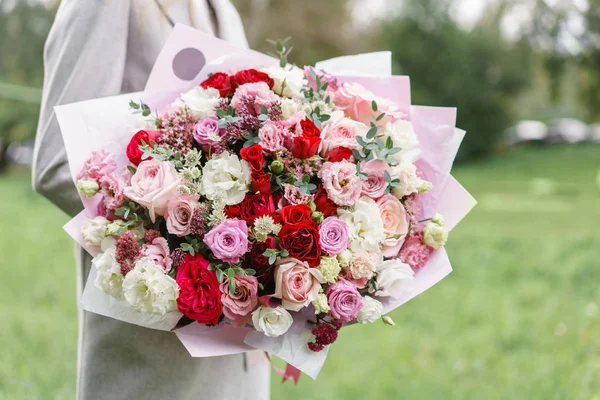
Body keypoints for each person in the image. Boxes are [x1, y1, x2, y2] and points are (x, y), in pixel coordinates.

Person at [32, 1, 270, 399]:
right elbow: (60, 162)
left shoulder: (224, 10)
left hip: (241, 346)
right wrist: (183, 243)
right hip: (150, 338)